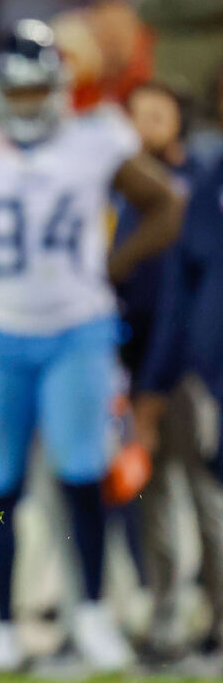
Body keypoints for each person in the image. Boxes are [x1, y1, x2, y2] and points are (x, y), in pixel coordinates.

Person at [0, 20, 185, 673]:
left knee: (81, 474)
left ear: (57, 89)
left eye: (35, 92)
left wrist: (115, 263)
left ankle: (93, 613)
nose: (26, 105)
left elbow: (166, 204)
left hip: (78, 330)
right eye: (16, 93)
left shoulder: (95, 141)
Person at [132, 106, 223, 662]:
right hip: (192, 370)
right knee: (174, 493)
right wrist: (155, 380)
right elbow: (180, 287)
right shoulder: (209, 179)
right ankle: (181, 622)